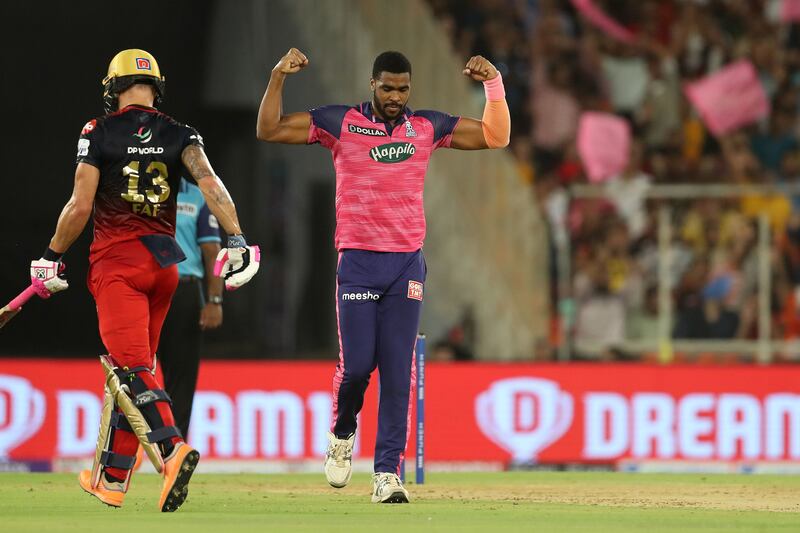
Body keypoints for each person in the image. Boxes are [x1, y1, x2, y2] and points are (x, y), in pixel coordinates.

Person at [255, 48, 509, 503]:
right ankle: (342, 431)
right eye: (388, 88)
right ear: (373, 85)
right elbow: (268, 129)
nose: (396, 96)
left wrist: (493, 85)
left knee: (398, 373)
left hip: (405, 264)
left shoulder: (426, 127)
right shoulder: (340, 122)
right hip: (357, 263)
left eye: (403, 88)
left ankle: (386, 474)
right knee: (356, 369)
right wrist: (278, 76)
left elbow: (496, 135)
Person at [30, 49, 259, 511]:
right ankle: (112, 478)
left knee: (130, 371)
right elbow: (211, 184)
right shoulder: (181, 133)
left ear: (112, 88)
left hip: (119, 264)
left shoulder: (98, 131)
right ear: (157, 86)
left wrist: (51, 255)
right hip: (166, 268)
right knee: (130, 371)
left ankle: (172, 450)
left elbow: (79, 207)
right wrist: (237, 239)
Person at [158, 177, 224, 441]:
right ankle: (131, 445)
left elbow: (212, 251)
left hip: (184, 291)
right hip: (145, 290)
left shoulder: (196, 196)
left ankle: (175, 449)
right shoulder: (136, 189)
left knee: (182, 378)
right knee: (136, 369)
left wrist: (214, 300)